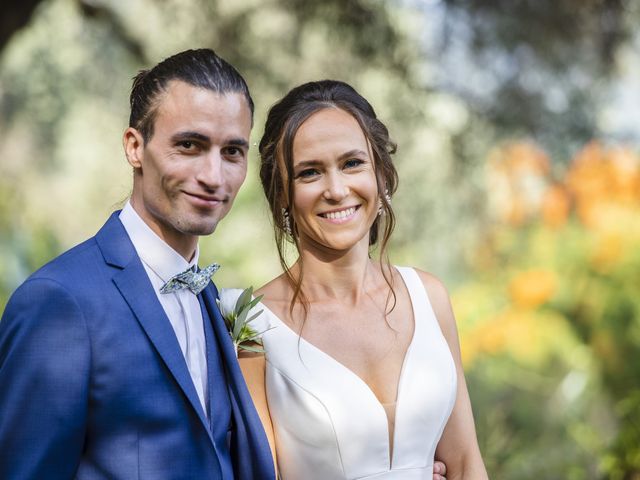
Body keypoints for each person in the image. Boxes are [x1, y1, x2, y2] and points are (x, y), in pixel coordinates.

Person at [0, 49, 275, 479]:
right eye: (189, 145)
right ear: (134, 147)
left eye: (232, 152)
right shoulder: (59, 301)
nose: (214, 176)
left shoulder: (213, 299)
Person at [234, 80, 488, 479]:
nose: (336, 190)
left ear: (381, 175)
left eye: (352, 163)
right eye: (310, 172)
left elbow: (466, 464)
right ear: (282, 193)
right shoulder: (250, 323)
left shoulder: (429, 296)